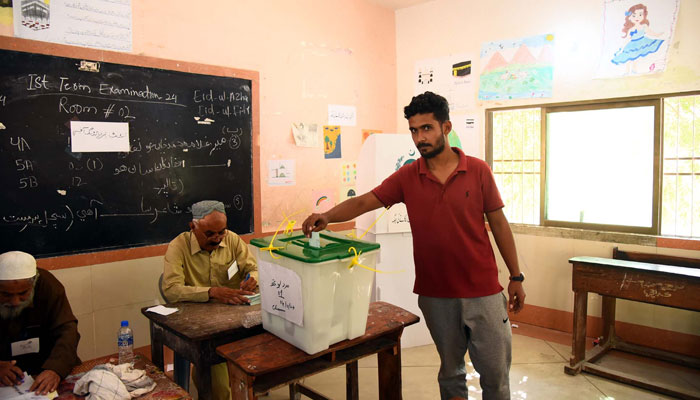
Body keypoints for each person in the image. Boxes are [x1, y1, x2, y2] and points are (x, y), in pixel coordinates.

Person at [302, 91, 525, 400]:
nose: (420, 137)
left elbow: (499, 224)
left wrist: (516, 276)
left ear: (446, 128)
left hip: (483, 292)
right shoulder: (409, 176)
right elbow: (367, 200)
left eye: (427, 128)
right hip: (436, 295)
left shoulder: (477, 171)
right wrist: (327, 216)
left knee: (495, 375)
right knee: (451, 372)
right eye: (414, 130)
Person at [162, 199, 258, 400]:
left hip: (235, 314)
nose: (217, 239)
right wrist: (211, 292)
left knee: (264, 353)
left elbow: (253, 269)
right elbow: (171, 289)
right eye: (210, 234)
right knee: (218, 384)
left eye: (221, 232)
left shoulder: (232, 240)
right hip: (200, 322)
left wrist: (252, 279)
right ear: (192, 227)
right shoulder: (178, 246)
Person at [0, 251, 81, 395]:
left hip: (45, 365)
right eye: (6, 295)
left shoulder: (48, 285)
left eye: (23, 293)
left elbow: (67, 330)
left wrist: (55, 369)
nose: (15, 302)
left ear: (34, 282)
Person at [611, 3, 664, 74]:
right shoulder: (631, 29)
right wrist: (622, 48)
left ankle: (634, 70)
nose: (637, 17)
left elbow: (650, 32)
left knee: (636, 58)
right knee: (629, 59)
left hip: (641, 42)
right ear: (629, 17)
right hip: (632, 45)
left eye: (640, 15)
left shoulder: (644, 26)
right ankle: (627, 71)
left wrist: (657, 35)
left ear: (644, 16)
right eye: (634, 15)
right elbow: (627, 39)